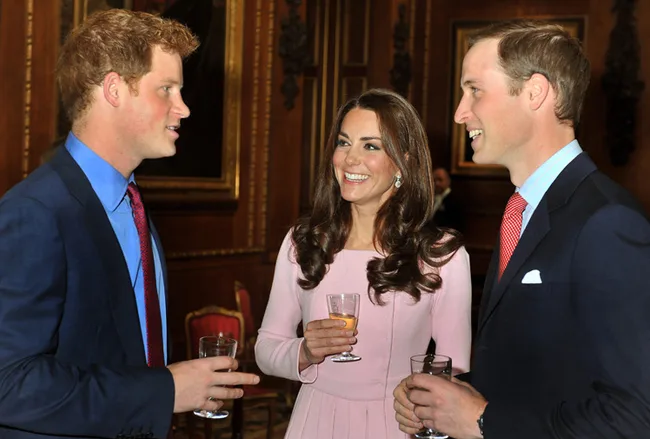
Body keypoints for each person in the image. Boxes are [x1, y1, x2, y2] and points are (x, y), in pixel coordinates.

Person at [0, 9, 259, 439]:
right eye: (167, 89)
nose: (184, 108)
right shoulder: (36, 212)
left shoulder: (132, 205)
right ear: (115, 89)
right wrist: (165, 392)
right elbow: (9, 384)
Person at [394, 19, 650, 439]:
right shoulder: (522, 209)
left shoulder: (607, 223)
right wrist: (448, 397)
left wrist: (482, 421)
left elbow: (636, 417)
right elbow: (537, 371)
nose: (460, 112)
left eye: (474, 89)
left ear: (535, 92)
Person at [255, 88, 472, 438]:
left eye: (370, 146)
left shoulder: (440, 254)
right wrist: (305, 351)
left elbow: (454, 367)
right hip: (314, 421)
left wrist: (421, 401)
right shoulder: (303, 241)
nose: (350, 159)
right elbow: (266, 349)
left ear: (402, 162)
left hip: (397, 424)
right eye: (344, 143)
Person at [432, 167, 463, 231]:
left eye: (440, 180)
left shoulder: (455, 200)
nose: (437, 183)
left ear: (448, 181)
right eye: (434, 180)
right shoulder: (431, 199)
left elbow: (456, 225)